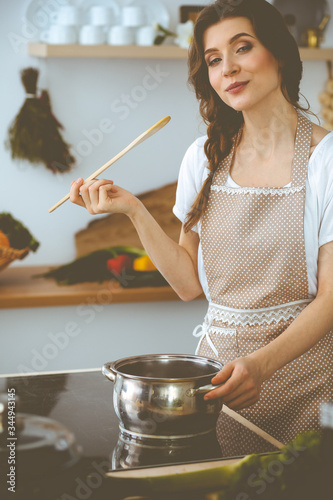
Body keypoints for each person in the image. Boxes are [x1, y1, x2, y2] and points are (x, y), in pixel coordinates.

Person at [70, 0, 333, 456]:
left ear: (281, 55)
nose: (228, 68)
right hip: (220, 389)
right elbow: (188, 283)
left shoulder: (325, 161)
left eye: (243, 48)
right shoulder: (204, 157)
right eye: (214, 60)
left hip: (305, 383)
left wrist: (261, 365)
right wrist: (133, 209)